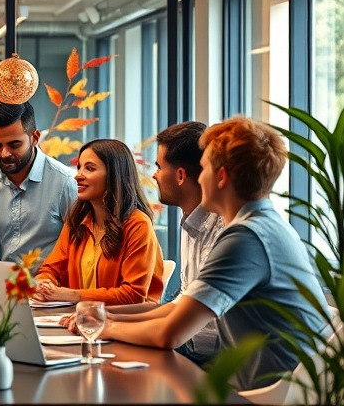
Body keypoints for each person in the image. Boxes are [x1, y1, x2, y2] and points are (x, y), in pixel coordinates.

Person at [97, 116, 329, 390]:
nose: (198, 176)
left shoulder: (245, 237)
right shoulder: (264, 224)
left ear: (220, 177)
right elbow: (180, 310)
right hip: (272, 384)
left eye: (204, 168)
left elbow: (169, 335)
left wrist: (101, 329)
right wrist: (107, 320)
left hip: (265, 393)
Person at [101, 122, 225, 364]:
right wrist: (105, 315)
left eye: (158, 167)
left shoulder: (224, 231)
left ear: (180, 175)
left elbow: (177, 329)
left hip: (218, 365)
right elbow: (180, 302)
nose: (154, 175)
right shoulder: (191, 221)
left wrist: (107, 326)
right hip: (195, 351)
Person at [33, 139, 164, 305]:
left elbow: (133, 295)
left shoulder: (138, 224)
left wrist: (72, 295)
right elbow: (51, 268)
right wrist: (45, 283)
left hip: (125, 325)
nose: (78, 175)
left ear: (114, 175)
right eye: (79, 167)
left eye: (89, 168)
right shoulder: (78, 219)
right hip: (78, 321)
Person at [0, 102, 77, 263]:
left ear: (34, 138)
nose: (5, 153)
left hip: (45, 285)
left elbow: (79, 247)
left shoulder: (65, 183)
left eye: (14, 145)